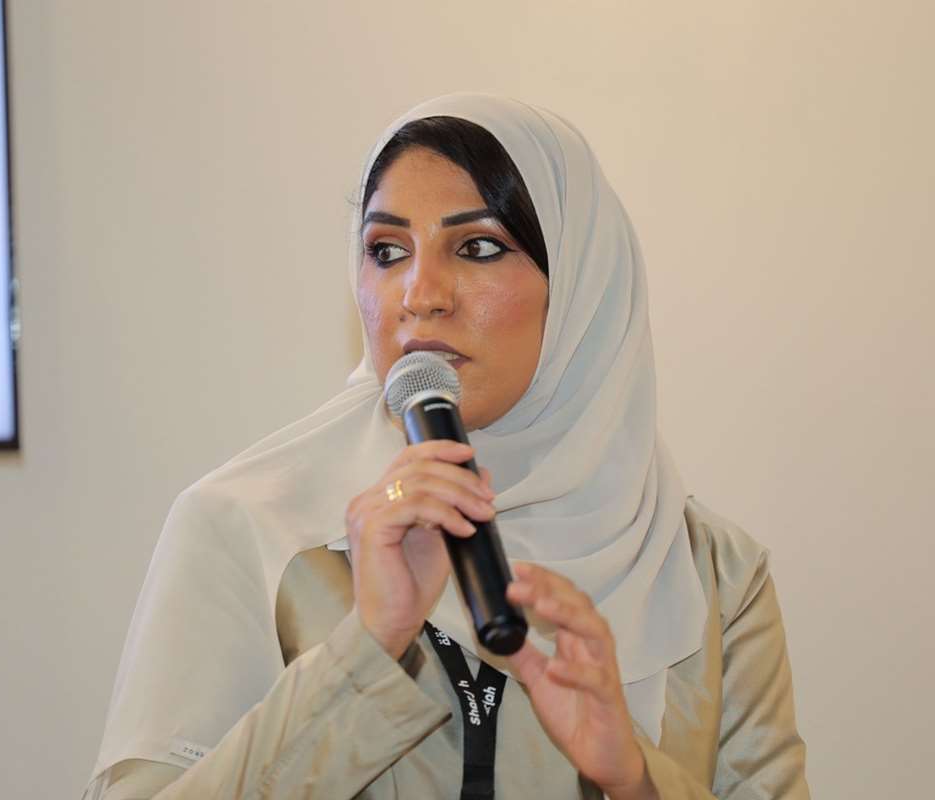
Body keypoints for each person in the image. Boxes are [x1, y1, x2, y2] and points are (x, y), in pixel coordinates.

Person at [83, 93, 810, 799]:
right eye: (387, 250)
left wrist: (636, 782)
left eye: (479, 247)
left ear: (582, 289)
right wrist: (364, 650)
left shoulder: (711, 574)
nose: (419, 294)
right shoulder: (249, 527)